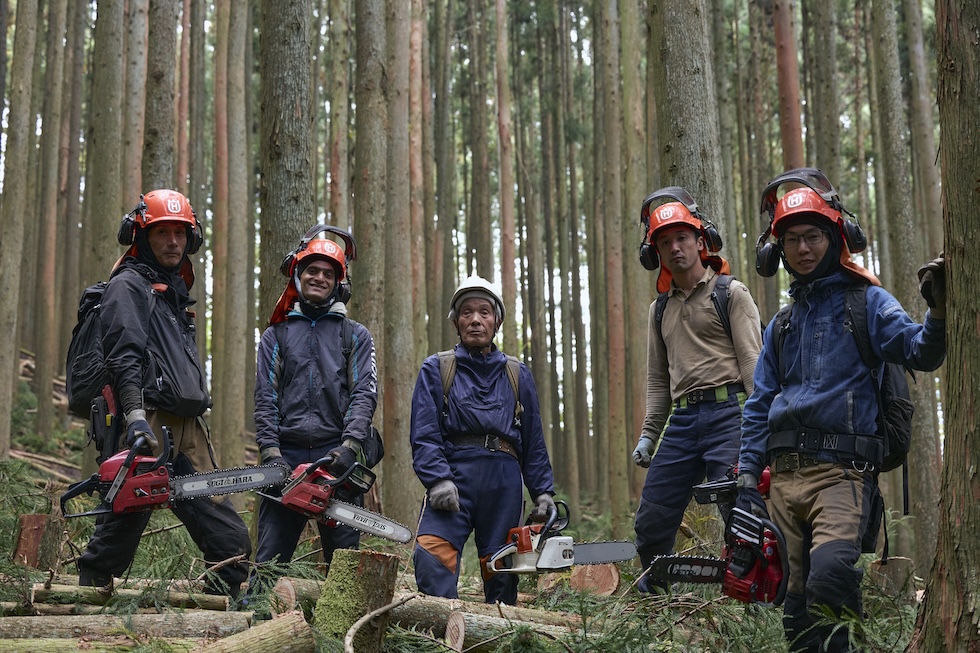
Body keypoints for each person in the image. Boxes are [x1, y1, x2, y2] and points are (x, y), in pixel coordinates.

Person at [737, 168, 946, 653]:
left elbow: (921, 352)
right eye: (792, 239)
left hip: (842, 477)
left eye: (813, 236)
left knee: (831, 580)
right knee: (793, 606)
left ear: (836, 238)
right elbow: (759, 403)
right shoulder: (782, 325)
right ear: (779, 251)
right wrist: (749, 479)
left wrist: (936, 311)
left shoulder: (867, 303)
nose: (804, 248)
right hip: (783, 480)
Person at [76, 190, 251, 598]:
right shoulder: (129, 285)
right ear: (141, 236)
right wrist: (134, 415)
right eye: (162, 233)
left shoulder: (171, 292)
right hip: (148, 423)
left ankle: (210, 618)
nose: (173, 241)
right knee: (117, 536)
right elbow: (124, 356)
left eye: (180, 233)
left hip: (188, 430)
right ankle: (84, 608)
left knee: (230, 541)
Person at [630, 186, 763, 593]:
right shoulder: (660, 310)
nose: (675, 248)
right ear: (655, 252)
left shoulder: (731, 293)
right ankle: (654, 598)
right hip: (684, 419)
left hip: (731, 413)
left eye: (682, 238)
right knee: (652, 516)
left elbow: (754, 365)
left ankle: (752, 598)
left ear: (700, 240)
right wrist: (650, 433)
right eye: (665, 242)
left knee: (741, 513)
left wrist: (760, 427)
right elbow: (658, 379)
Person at [410, 275, 556, 604]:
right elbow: (424, 432)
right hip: (453, 477)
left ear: (497, 321)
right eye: (467, 312)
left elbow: (532, 439)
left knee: (503, 571)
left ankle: (497, 634)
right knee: (433, 557)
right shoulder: (437, 369)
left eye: (485, 312)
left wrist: (543, 492)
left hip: (504, 482)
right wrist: (437, 480)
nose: (476, 319)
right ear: (456, 321)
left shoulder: (517, 374)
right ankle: (440, 634)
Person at [252, 225, 378, 580]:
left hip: (334, 455)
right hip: (287, 453)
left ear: (339, 282)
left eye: (328, 273)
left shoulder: (354, 335)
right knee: (269, 562)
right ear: (298, 274)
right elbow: (265, 396)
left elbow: (364, 394)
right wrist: (270, 451)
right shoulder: (276, 335)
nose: (319, 278)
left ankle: (343, 631)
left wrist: (350, 446)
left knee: (344, 568)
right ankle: (257, 622)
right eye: (312, 271)